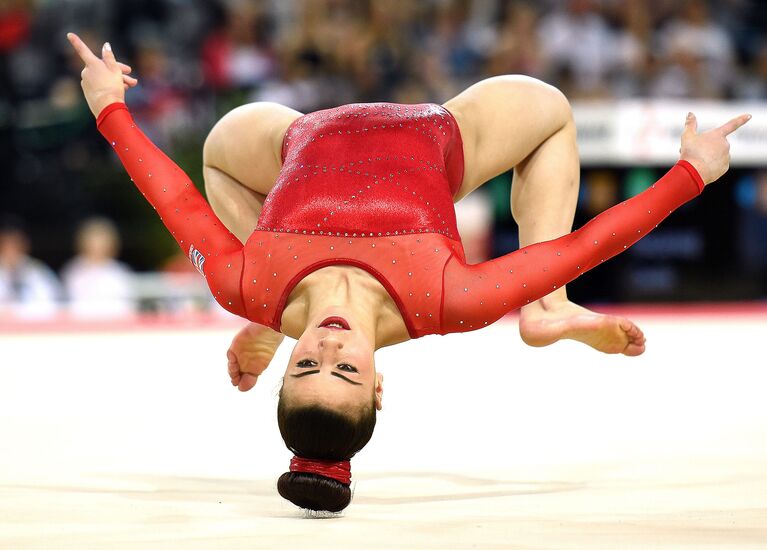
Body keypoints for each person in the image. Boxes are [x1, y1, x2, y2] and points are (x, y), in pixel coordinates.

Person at [66, 32, 749, 513]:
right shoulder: (446, 299)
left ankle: (265, 330)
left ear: (290, 364)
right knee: (546, 108)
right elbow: (583, 243)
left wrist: (108, 107)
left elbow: (177, 198)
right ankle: (546, 310)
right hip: (438, 137)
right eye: (346, 372)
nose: (329, 351)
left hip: (295, 142)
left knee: (220, 145)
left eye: (307, 367)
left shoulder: (246, 282)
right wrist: (689, 175)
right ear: (379, 382)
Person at [61, 217, 136, 319]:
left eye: (102, 240)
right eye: (94, 239)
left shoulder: (120, 271)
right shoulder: (73, 271)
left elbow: (128, 306)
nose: (98, 245)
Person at [0, 215, 62, 320]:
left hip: (33, 327)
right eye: (5, 243)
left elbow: (54, 303)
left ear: (24, 245)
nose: (10, 249)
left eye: (15, 244)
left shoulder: (38, 271)